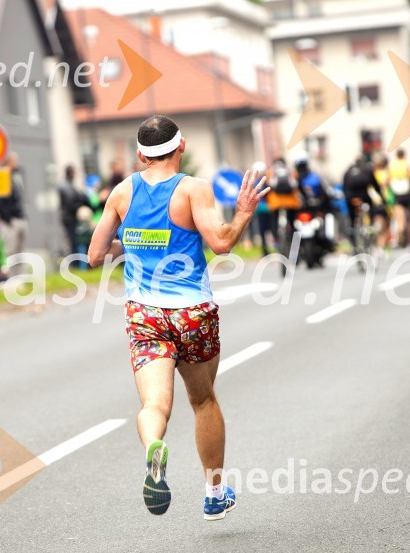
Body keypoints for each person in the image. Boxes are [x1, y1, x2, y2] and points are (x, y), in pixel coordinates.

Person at [88, 115, 269, 521]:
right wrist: (243, 211)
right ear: (181, 146)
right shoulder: (193, 190)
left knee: (155, 403)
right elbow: (220, 243)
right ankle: (214, 494)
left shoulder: (122, 192)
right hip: (192, 313)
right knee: (202, 400)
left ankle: (154, 446)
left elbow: (96, 254)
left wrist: (133, 244)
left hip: (145, 315)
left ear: (139, 155)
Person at [0, 152, 26, 274]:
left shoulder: (15, 177)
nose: (17, 163)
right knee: (9, 250)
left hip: (19, 217)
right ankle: (9, 277)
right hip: (8, 221)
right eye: (15, 160)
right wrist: (7, 218)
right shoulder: (1, 177)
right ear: (8, 162)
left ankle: (18, 277)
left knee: (19, 251)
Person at [342, 156, 383, 242]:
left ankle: (352, 236)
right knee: (371, 208)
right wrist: (381, 196)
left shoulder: (348, 171)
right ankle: (370, 225)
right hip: (364, 196)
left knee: (352, 218)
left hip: (351, 198)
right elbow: (375, 185)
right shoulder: (367, 170)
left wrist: (348, 199)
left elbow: (344, 187)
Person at [58, 165, 90, 257]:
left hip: (69, 217)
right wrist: (81, 204)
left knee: (74, 241)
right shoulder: (66, 186)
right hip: (69, 218)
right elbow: (71, 203)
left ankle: (75, 262)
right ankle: (74, 262)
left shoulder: (69, 185)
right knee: (72, 241)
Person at [388, 149, 410, 247]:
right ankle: (409, 238)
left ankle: (401, 230)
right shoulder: (406, 164)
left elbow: (387, 180)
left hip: (397, 193)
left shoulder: (392, 165)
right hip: (407, 192)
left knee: (400, 218)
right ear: (404, 155)